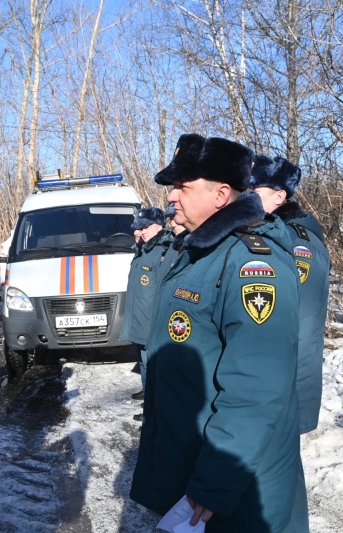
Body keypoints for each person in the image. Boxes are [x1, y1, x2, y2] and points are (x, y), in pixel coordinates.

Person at [130, 134, 307, 532]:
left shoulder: (251, 265)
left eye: (182, 186)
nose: (171, 197)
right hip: (200, 469)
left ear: (220, 194)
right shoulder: (198, 253)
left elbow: (255, 389)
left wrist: (213, 484)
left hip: (236, 488)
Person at [250, 155, 330, 533]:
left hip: (286, 381)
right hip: (270, 381)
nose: (244, 197)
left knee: (280, 483)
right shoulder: (270, 233)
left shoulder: (297, 241)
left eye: (254, 190)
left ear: (279, 197)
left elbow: (301, 319)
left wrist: (279, 388)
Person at [119, 206, 166, 421]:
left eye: (146, 227)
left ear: (160, 225)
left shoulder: (164, 251)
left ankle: (153, 413)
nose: (141, 232)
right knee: (145, 364)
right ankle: (149, 399)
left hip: (152, 323)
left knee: (152, 367)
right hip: (140, 321)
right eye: (139, 228)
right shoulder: (143, 250)